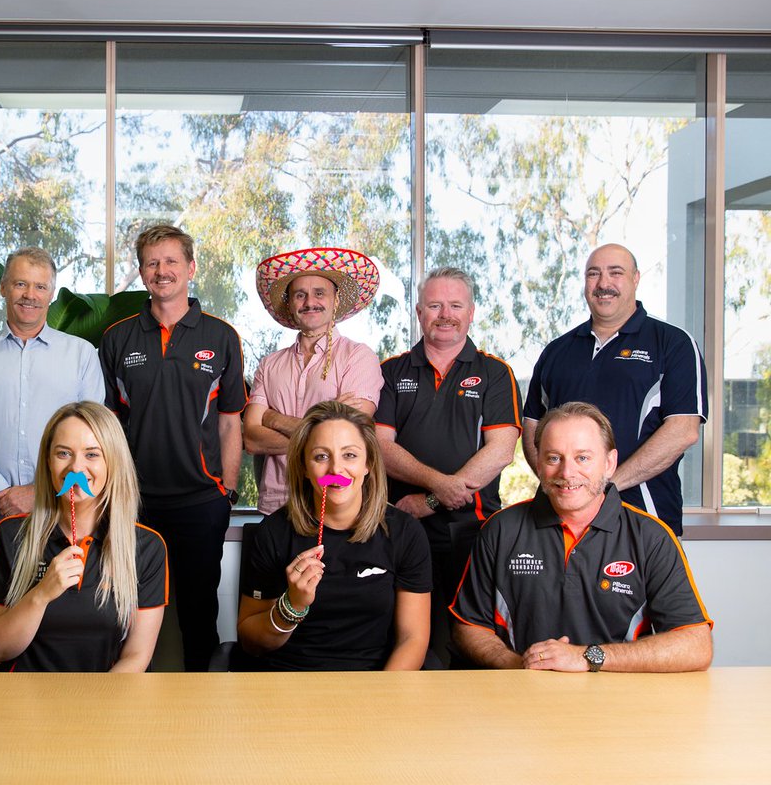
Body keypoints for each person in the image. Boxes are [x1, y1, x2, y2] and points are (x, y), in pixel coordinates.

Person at [451, 402, 712, 672]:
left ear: (609, 463)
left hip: (619, 703)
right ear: (538, 462)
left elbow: (696, 645)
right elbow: (469, 626)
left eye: (582, 458)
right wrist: (520, 665)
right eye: (554, 458)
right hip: (522, 695)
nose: (567, 473)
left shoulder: (651, 537)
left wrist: (588, 657)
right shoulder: (500, 530)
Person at [98, 224, 246, 671]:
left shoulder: (221, 338)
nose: (162, 271)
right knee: (122, 611)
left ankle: (199, 715)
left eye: (171, 262)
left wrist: (229, 491)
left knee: (200, 615)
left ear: (191, 268)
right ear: (142, 272)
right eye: (152, 263)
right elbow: (107, 427)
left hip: (201, 502)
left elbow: (230, 423)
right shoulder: (117, 338)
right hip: (134, 503)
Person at [373, 266, 521, 664]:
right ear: (419, 312)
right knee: (404, 636)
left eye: (455, 305)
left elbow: (501, 450)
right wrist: (438, 487)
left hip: (472, 531)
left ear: (471, 312)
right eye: (435, 305)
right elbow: (380, 447)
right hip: (400, 525)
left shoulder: (494, 373)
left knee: (467, 639)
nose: (445, 314)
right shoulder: (391, 371)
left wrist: (433, 501)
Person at [523, 243, 708, 536]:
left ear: (636, 278)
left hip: (645, 519)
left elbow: (683, 431)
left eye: (615, 273)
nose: (603, 283)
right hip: (560, 520)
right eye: (593, 274)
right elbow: (533, 429)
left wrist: (605, 489)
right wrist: (562, 486)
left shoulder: (673, 344)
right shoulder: (556, 351)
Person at [237, 400, 431, 670]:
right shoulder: (274, 532)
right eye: (321, 456)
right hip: (287, 685)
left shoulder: (405, 533)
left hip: (373, 689)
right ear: (304, 467)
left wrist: (383, 703)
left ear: (368, 464)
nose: (335, 470)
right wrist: (290, 607)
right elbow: (250, 643)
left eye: (349, 455)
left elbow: (413, 638)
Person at [0, 401, 168, 672]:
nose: (76, 468)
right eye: (63, 453)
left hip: (106, 703)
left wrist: (93, 710)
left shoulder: (146, 548)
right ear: (47, 462)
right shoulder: (10, 535)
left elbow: (136, 657)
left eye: (92, 455)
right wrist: (41, 594)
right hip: (25, 705)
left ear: (113, 461)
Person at [0, 247, 104, 569]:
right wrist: (2, 493)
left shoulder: (81, 355)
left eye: (40, 286)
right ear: (3, 288)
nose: (30, 295)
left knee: (55, 616)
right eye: (20, 284)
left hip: (57, 516)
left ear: (50, 293)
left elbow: (93, 438)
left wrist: (37, 492)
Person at [244, 247, 384, 515]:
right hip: (276, 506)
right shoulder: (270, 364)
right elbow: (252, 439)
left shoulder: (358, 357)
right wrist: (324, 431)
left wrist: (273, 419)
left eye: (319, 293)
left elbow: (350, 436)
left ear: (335, 299)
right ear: (290, 304)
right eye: (300, 295)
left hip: (332, 509)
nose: (310, 302)